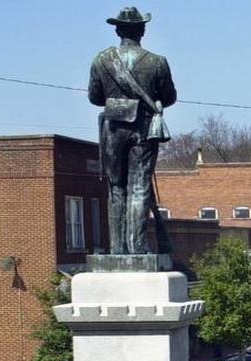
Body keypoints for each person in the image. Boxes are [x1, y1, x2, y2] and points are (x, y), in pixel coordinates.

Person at [88, 7, 177, 255]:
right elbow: (169, 97)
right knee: (139, 187)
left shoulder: (101, 60)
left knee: (116, 188)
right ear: (142, 31)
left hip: (113, 128)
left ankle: (117, 249)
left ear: (118, 30)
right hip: (144, 127)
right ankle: (137, 247)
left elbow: (95, 97)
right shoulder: (157, 62)